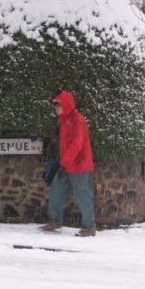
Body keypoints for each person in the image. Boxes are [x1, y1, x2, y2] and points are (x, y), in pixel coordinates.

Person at [41, 91, 97, 237]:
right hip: (67, 165)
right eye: (55, 105)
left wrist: (64, 164)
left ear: (66, 105)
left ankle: (89, 227)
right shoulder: (64, 121)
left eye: (58, 105)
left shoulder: (77, 120)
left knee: (83, 196)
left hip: (80, 166)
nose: (56, 108)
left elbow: (76, 145)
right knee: (56, 191)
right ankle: (55, 221)